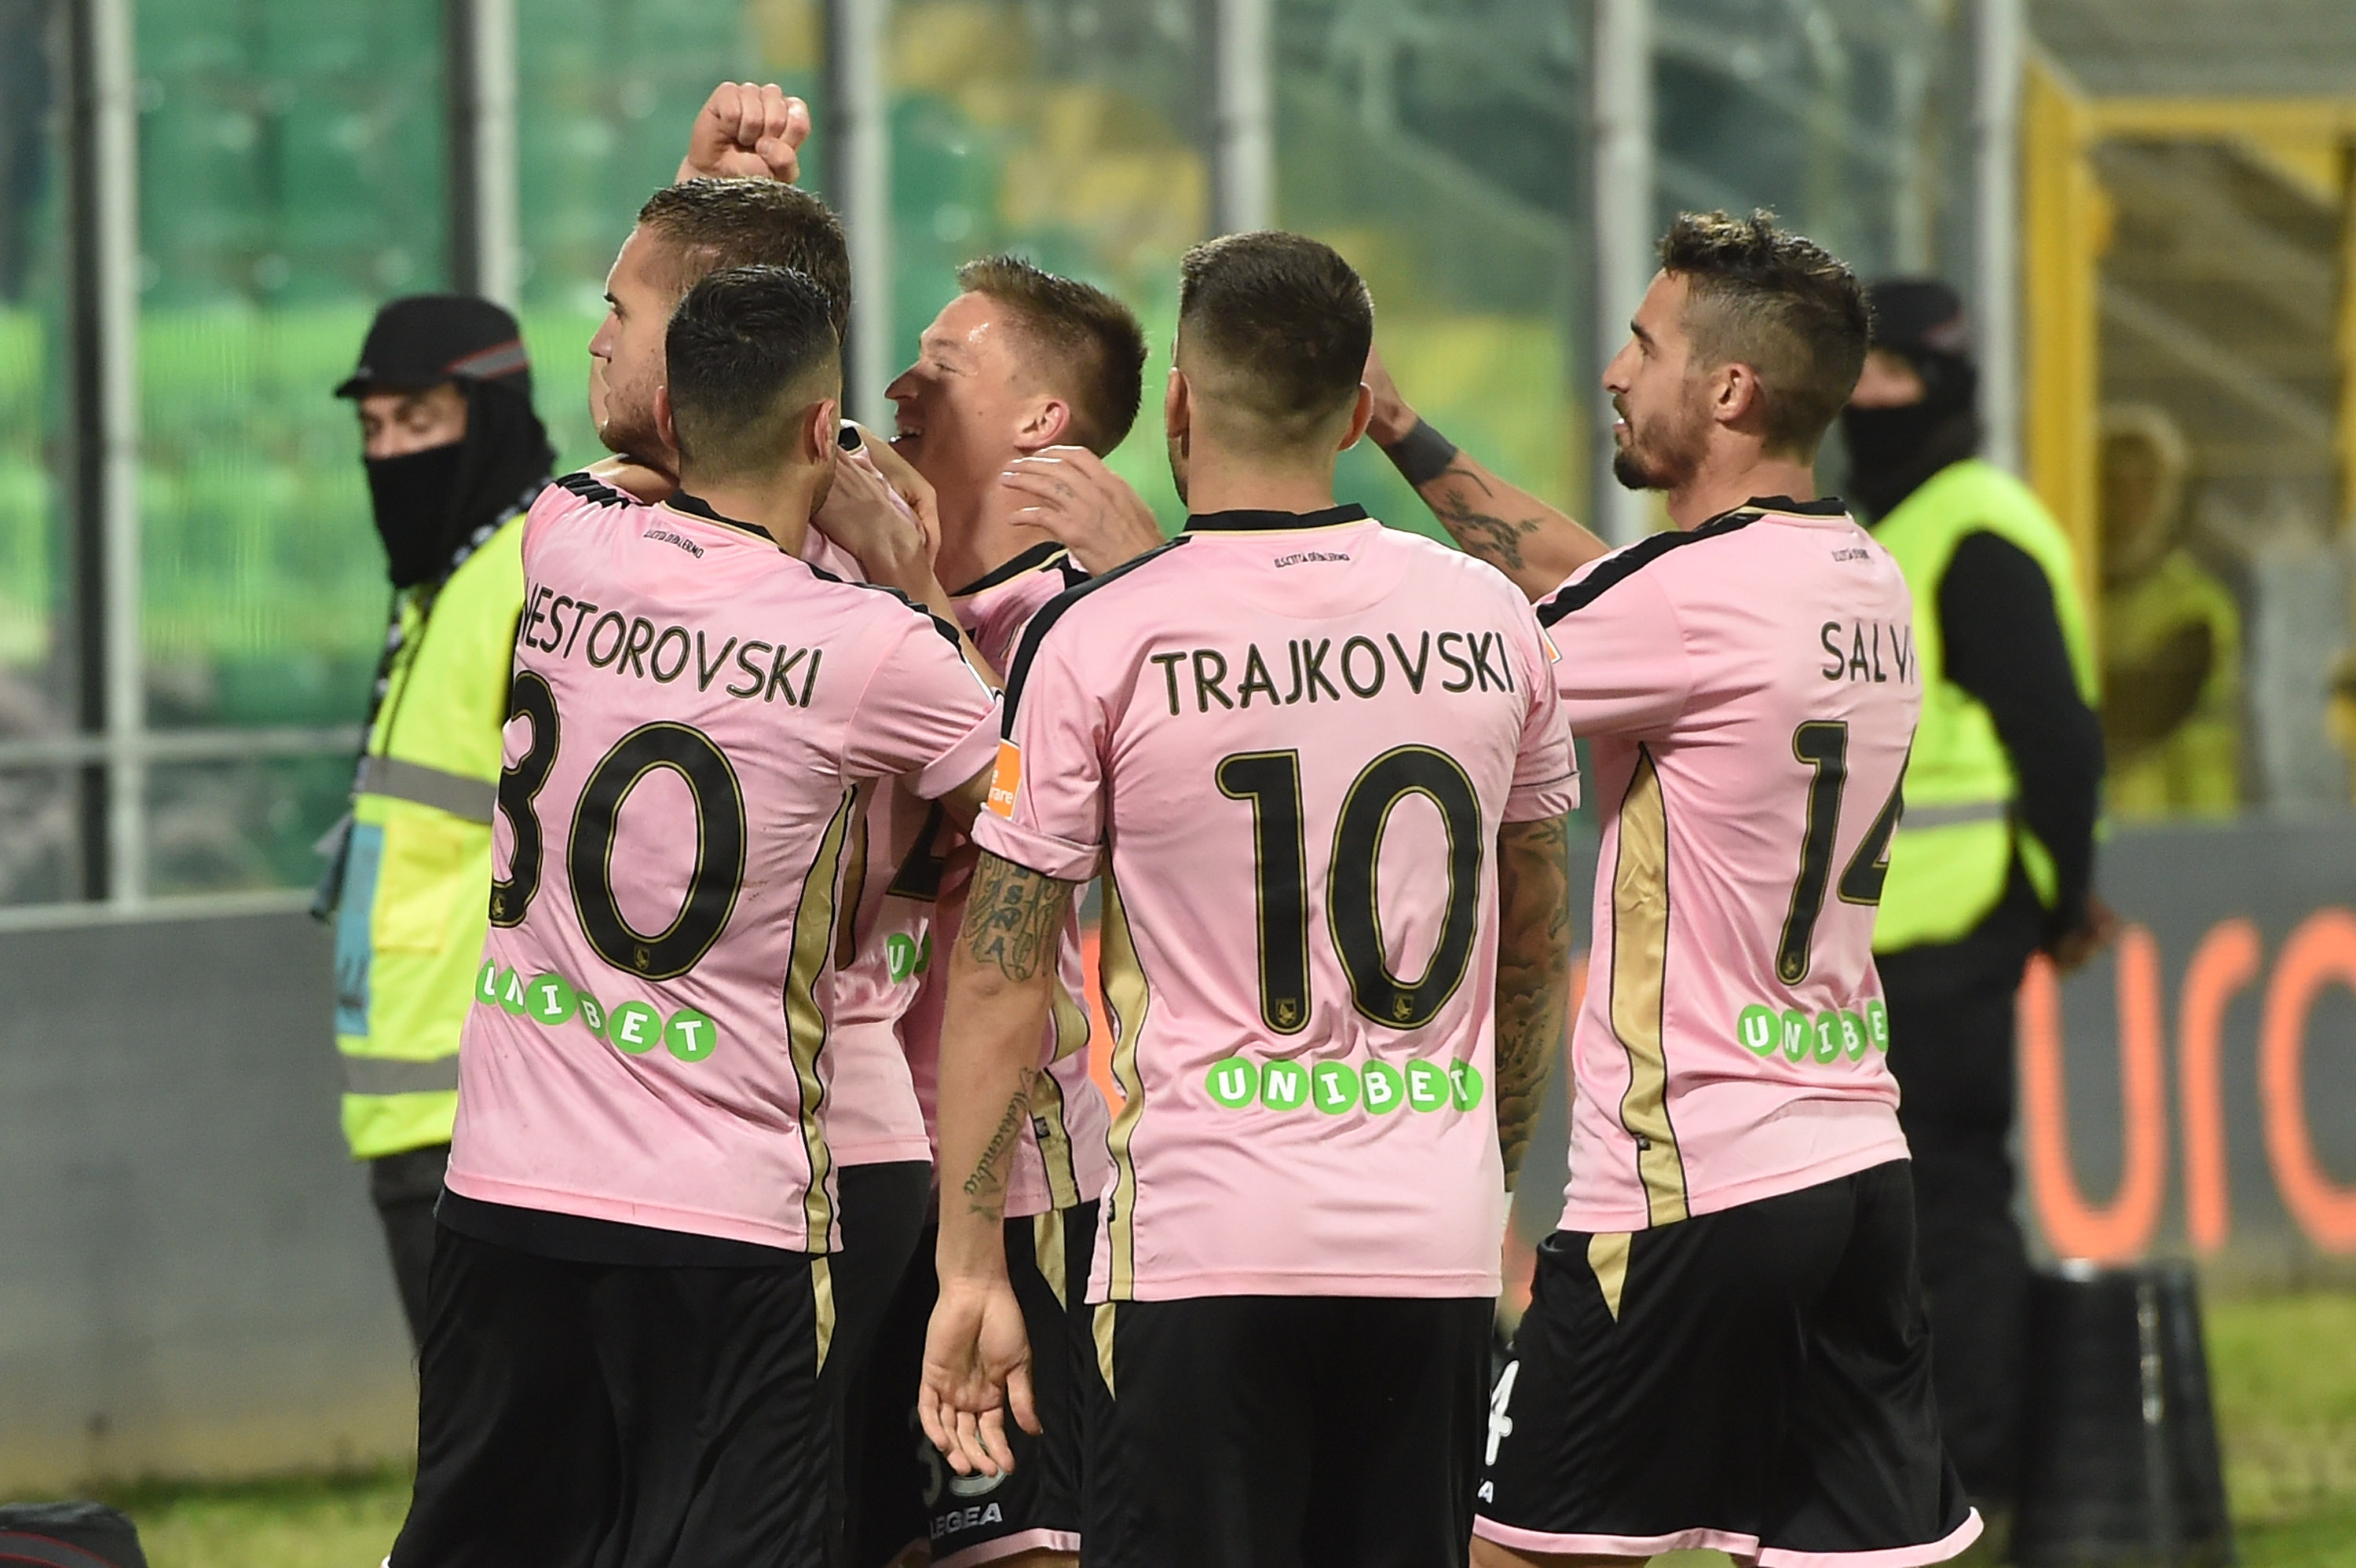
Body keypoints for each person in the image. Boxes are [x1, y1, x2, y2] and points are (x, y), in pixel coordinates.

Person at [921, 230, 1579, 1568]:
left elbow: (999, 972)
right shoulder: (1494, 621)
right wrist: (1480, 1166)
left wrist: (972, 1265)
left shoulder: (1100, 633)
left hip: (1204, 1246)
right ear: (1351, 415)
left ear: (1175, 404)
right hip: (1430, 1243)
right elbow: (1532, 943)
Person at [387, 263, 1004, 1568]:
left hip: (505, 1195)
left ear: (671, 417)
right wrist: (919, 579)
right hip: (726, 1217)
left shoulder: (564, 535)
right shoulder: (876, 650)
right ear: (818, 432)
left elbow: (612, 460)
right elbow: (1023, 798)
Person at [1472, 212, 1976, 1566]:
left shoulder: (1683, 601)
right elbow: (1613, 590)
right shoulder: (1863, 574)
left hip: (1692, 1182)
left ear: (1732, 390)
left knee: (1511, 1548)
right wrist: (1409, 438)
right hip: (1859, 1166)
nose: (1616, 373)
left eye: (1646, 344)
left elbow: (1446, 684)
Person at [840, 253, 1156, 1568]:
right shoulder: (846, 585)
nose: (902, 385)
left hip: (1017, 1175)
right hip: (848, 1160)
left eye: (946, 363)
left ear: (1043, 423)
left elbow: (1020, 816)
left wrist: (910, 595)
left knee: (1015, 1545)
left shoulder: (1086, 623)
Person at [1841, 278, 2109, 1523]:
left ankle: (1979, 1481)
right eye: (1860, 374)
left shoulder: (1969, 528)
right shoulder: (1892, 522)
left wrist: (2061, 899)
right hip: (1876, 938)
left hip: (1950, 928)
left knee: (1950, 1209)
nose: (1870, 399)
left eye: (1896, 375)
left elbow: (2055, 738)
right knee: (1892, 1219)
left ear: (1944, 385)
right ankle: (1911, 1479)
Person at [326, 293, 554, 1349]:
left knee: (505, 1484)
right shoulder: (445, 587)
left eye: (419, 423)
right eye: (374, 430)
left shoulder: (523, 576)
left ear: (493, 415)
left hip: (482, 1107)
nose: (390, 455)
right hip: (417, 1108)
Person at [2097, 403, 2239, 817]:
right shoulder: (2069, 586)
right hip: (2102, 838)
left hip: (2184, 832)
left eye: (2144, 483)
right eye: (2110, 481)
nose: (2126, 500)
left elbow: (2134, 718)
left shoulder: (2194, 606)